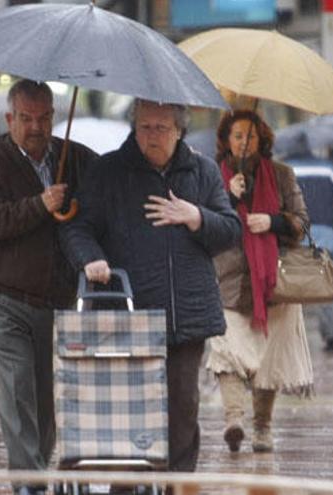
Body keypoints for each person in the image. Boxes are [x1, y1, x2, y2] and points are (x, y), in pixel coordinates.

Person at [61, 99, 241, 471]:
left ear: (179, 130)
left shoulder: (203, 172)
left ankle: (178, 483)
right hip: (129, 313)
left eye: (160, 128)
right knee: (131, 414)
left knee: (182, 411)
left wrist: (196, 217)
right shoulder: (108, 171)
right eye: (144, 127)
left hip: (185, 314)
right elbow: (77, 227)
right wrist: (91, 257)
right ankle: (127, 486)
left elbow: (230, 230)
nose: (151, 136)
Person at [0, 80, 97, 495]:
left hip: (53, 297)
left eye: (43, 118)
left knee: (42, 391)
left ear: (54, 118)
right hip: (0, 292)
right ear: (10, 119)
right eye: (26, 118)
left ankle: (37, 467)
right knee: (19, 382)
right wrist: (40, 204)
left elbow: (107, 189)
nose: (35, 127)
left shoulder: (73, 158)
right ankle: (29, 480)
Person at [205, 110, 313, 454]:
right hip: (229, 281)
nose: (243, 142)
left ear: (261, 138)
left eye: (249, 136)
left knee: (269, 362)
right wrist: (230, 197)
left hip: (273, 286)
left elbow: (302, 222)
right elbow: (204, 224)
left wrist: (272, 222)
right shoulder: (212, 177)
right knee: (227, 353)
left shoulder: (282, 175)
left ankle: (263, 427)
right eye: (237, 136)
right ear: (226, 140)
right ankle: (234, 419)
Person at [283, 149, 333, 351]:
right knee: (324, 285)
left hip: (295, 235)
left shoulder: (284, 170)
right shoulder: (329, 169)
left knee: (292, 287)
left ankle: (293, 336)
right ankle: (330, 332)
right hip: (325, 235)